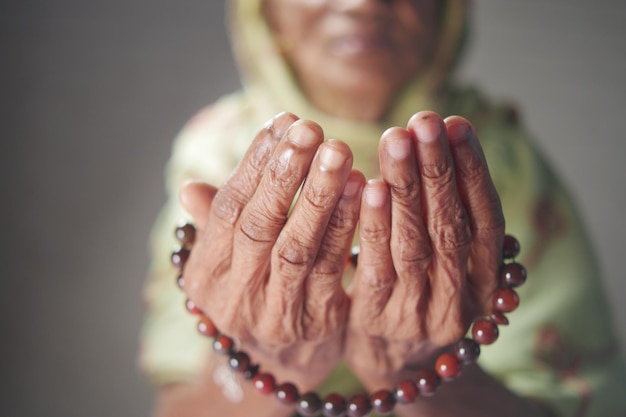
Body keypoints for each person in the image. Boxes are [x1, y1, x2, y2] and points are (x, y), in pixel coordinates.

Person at [140, 1, 626, 416]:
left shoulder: (502, 165)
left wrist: (428, 371)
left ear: (445, 14)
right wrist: (261, 365)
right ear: (267, 15)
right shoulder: (214, 157)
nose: (366, 2)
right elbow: (180, 403)